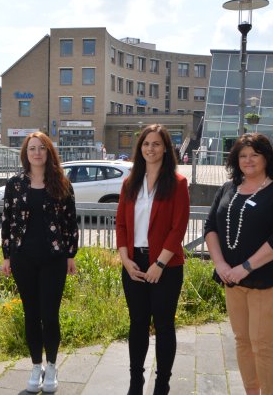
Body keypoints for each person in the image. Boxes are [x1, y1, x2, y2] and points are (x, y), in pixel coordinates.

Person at [204, 133, 273, 395]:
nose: (248, 160)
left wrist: (243, 268)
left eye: (254, 155)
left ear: (267, 158)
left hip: (267, 280)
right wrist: (221, 265)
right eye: (242, 156)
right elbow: (210, 226)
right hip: (231, 279)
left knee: (262, 344)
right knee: (242, 341)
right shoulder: (227, 189)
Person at [0, 132, 79, 393]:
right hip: (24, 259)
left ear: (49, 152)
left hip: (53, 260)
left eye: (41, 148)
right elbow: (7, 221)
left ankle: (53, 366)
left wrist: (71, 255)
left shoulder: (61, 183)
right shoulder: (15, 185)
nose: (37, 153)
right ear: (26, 153)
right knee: (31, 316)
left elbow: (70, 222)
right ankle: (36, 366)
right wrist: (7, 256)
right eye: (32, 148)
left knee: (50, 315)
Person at [115, 124, 190, 395]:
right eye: (146, 144)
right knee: (137, 324)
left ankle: (162, 383)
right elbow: (121, 224)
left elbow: (178, 228)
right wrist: (125, 259)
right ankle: (136, 382)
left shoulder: (178, 183)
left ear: (165, 148)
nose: (151, 149)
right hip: (134, 263)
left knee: (164, 325)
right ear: (140, 148)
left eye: (157, 144)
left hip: (166, 266)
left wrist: (159, 264)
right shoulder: (129, 183)